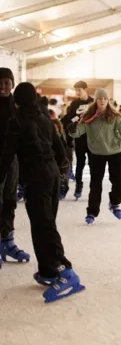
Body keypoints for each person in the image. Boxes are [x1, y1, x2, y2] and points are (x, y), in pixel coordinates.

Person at [0, 82, 85, 302]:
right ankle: (48, 270)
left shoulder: (16, 121)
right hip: (52, 174)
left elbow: (7, 157)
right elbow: (61, 149)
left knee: (44, 225)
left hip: (37, 176)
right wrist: (61, 176)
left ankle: (65, 270)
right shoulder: (45, 119)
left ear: (17, 101)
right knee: (43, 223)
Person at [67, 88, 121, 225]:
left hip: (114, 152)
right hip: (96, 153)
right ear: (96, 100)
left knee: (118, 181)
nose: (102, 101)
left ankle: (114, 203)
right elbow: (79, 131)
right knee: (95, 184)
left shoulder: (115, 116)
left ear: (108, 100)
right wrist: (73, 130)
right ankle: (92, 212)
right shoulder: (88, 117)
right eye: (100, 98)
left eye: (105, 98)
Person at [0, 67, 30, 266]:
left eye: (7, 83)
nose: (3, 87)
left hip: (12, 161)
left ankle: (7, 240)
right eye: (0, 83)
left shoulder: (17, 105)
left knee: (10, 200)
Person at [61, 80, 94, 199]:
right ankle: (78, 187)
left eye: (79, 90)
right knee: (80, 163)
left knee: (93, 164)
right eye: (76, 90)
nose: (77, 92)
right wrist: (78, 118)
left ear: (85, 89)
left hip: (92, 138)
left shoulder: (93, 102)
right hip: (80, 137)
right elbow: (70, 119)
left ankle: (93, 188)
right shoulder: (75, 104)